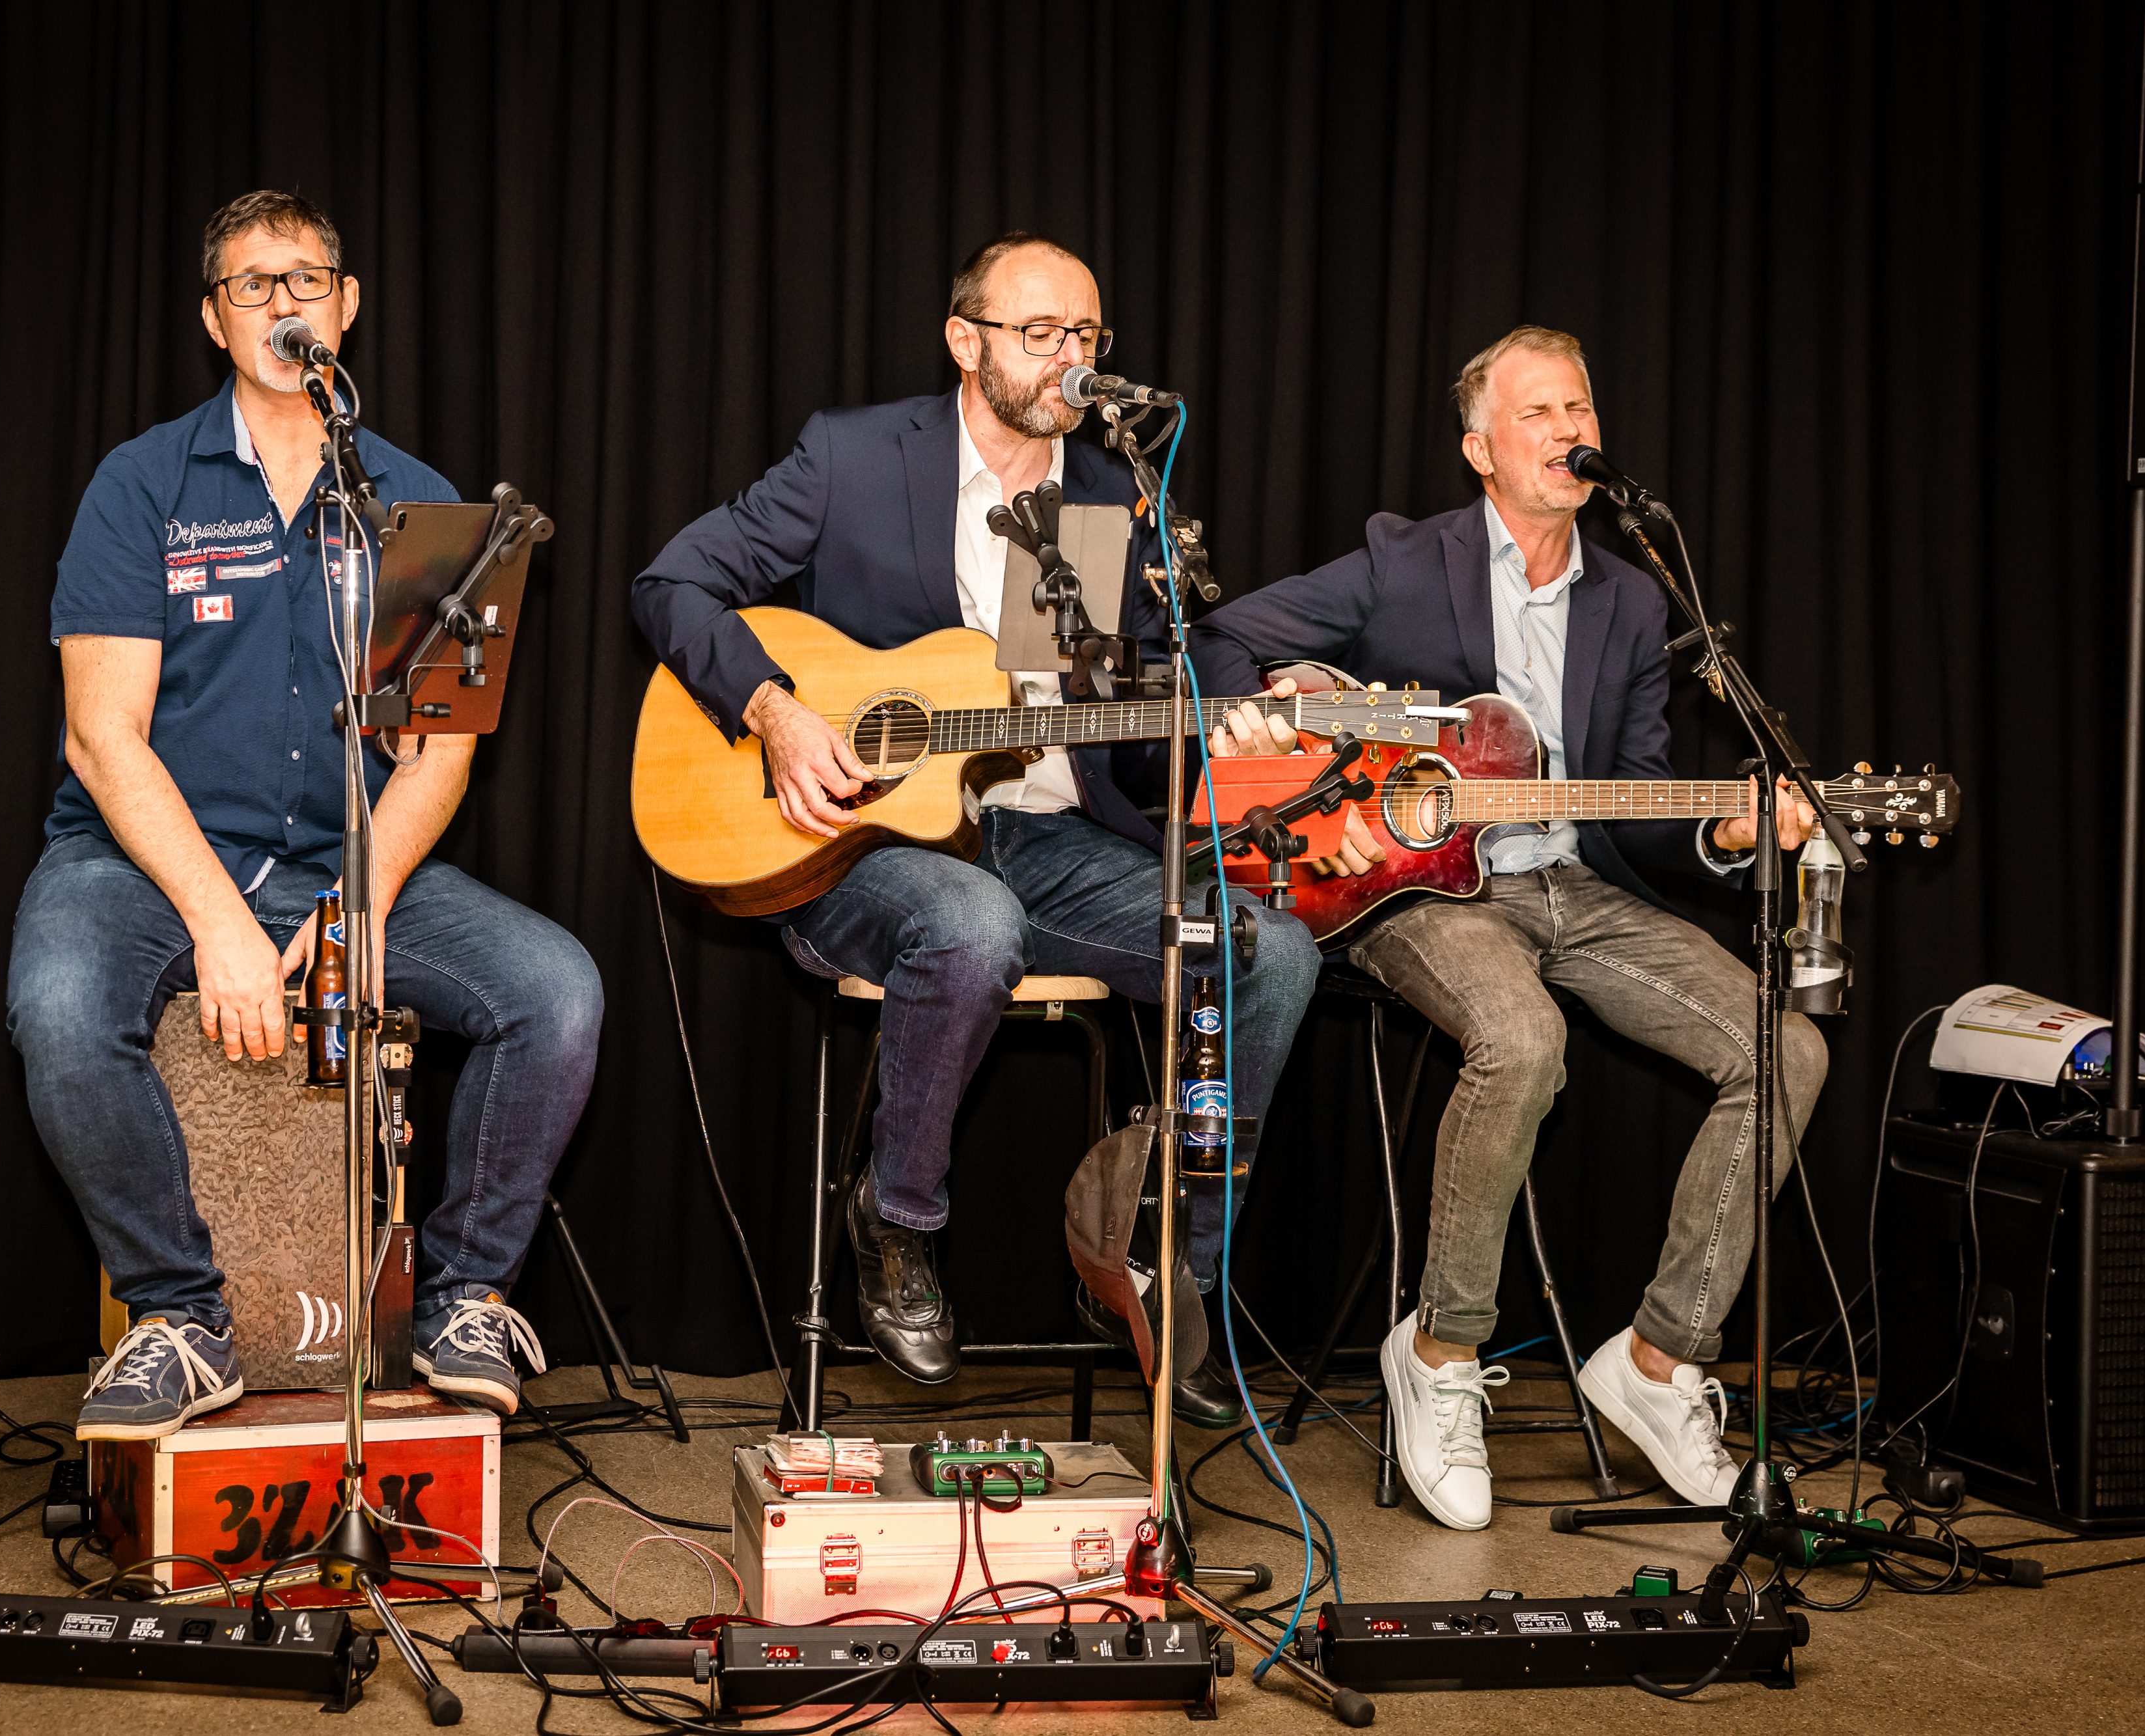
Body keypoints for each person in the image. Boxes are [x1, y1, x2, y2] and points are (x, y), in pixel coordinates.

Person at [633, 233, 1319, 1424]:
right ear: (966, 341)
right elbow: (671, 585)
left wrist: (1233, 712)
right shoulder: (853, 456)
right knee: (972, 920)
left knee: (1272, 954)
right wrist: (776, 712)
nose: (1071, 358)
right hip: (860, 843)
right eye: (1041, 332)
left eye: (1087, 335)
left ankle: (1165, 1269)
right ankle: (898, 1221)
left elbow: (1120, 699)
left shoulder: (1102, 498)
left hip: (1049, 840)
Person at [1193, 325, 1827, 1528]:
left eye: (1579, 408)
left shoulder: (1633, 599)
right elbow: (1222, 638)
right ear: (1480, 449)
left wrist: (1726, 832)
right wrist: (1277, 715)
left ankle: (1656, 1364)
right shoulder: (1402, 559)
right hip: (1417, 888)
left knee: (1786, 1048)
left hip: (1572, 885)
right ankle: (1439, 1353)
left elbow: (1637, 804)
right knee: (1524, 1041)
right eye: (1538, 412)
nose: (1568, 430)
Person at [7, 190, 603, 1441]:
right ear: (215, 320)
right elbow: (101, 736)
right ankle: (181, 1319)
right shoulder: (143, 484)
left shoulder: (419, 502)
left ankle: (465, 1298)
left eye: (306, 281)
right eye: (253, 285)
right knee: (60, 1006)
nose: (283, 304)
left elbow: (439, 750)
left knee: (555, 992)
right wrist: (219, 922)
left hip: (345, 855)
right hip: (145, 858)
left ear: (348, 305)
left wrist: (359, 911)